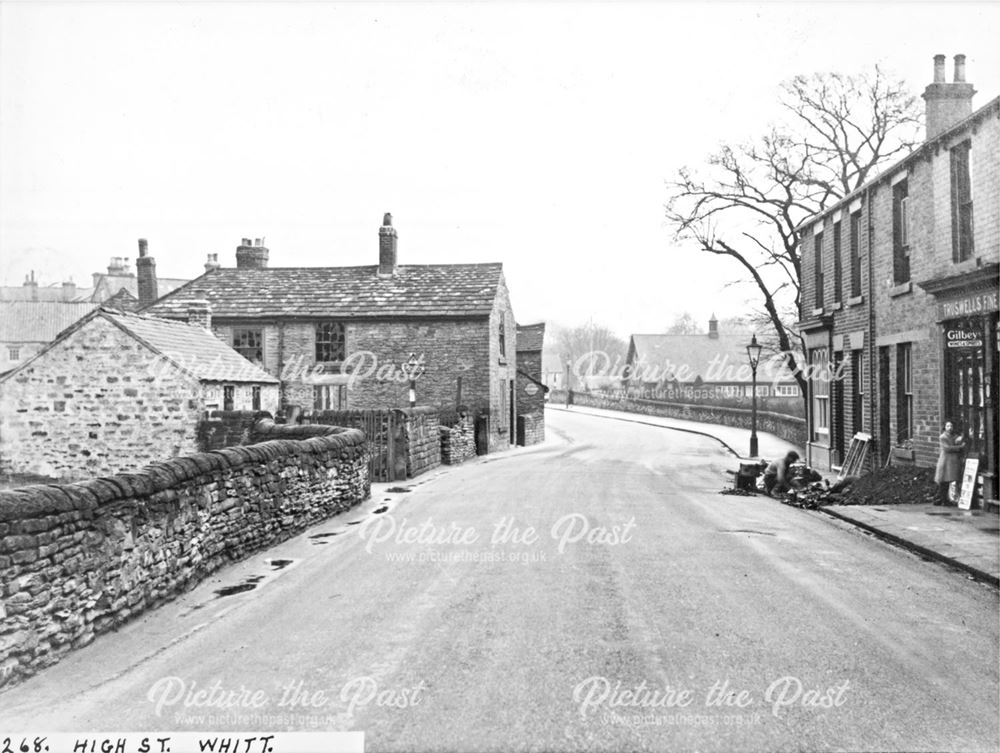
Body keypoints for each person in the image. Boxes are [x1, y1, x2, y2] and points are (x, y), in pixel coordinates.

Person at [934, 420, 965, 506]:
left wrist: (961, 438)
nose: (950, 428)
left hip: (952, 462)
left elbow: (958, 440)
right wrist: (960, 447)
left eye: (951, 426)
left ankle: (943, 499)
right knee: (944, 481)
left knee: (948, 481)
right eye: (948, 426)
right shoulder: (943, 437)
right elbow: (947, 448)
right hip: (946, 461)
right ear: (945, 427)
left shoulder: (954, 436)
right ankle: (943, 499)